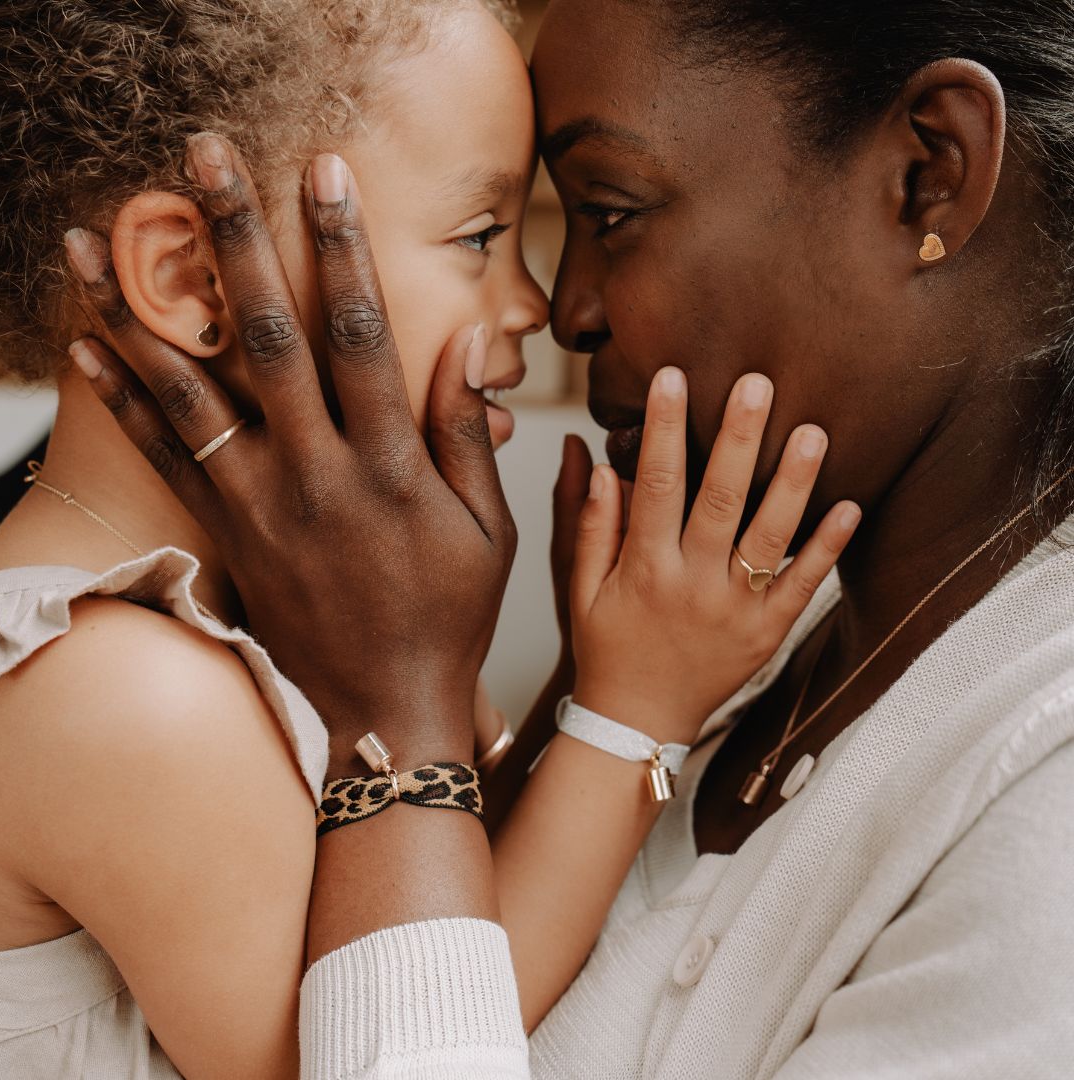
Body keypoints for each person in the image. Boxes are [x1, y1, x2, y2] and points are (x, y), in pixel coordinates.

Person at [68, 0, 1074, 1076]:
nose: (565, 311)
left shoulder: (1040, 790)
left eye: (609, 209)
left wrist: (400, 727)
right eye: (481, 237)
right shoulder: (717, 604)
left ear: (930, 172)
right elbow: (510, 901)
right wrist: (565, 704)